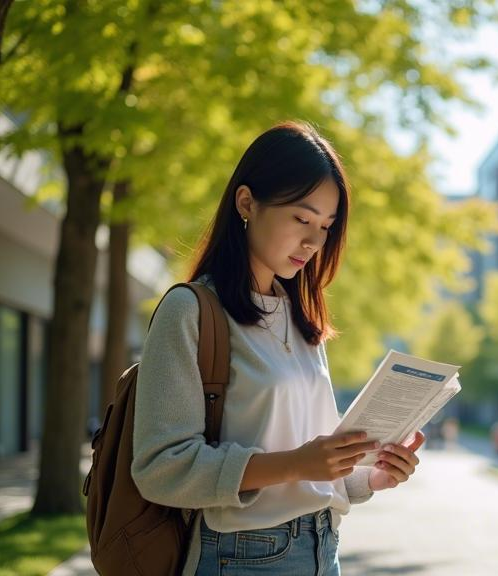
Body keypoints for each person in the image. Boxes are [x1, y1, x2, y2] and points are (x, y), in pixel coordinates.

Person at [130, 120, 424, 576]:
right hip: (240, 556)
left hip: (323, 549)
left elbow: (312, 469)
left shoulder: (301, 318)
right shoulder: (190, 312)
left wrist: (372, 477)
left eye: (325, 226)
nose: (313, 241)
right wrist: (296, 463)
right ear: (247, 202)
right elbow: (160, 469)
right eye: (301, 218)